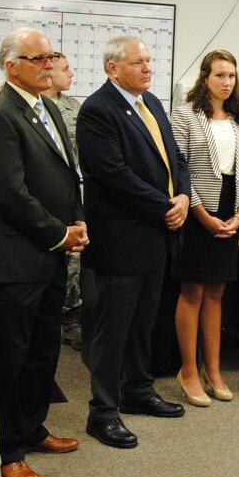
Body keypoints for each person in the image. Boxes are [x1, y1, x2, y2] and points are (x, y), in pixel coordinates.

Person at [0, 29, 87, 477]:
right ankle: (7, 450)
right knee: (9, 360)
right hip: (13, 260)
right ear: (12, 66)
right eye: (37, 58)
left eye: (51, 56)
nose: (48, 65)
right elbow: (10, 193)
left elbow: (67, 176)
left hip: (50, 256)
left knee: (43, 352)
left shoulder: (48, 107)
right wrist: (59, 234)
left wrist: (76, 222)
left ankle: (32, 428)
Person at [77, 34, 191, 449]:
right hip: (121, 239)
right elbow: (113, 174)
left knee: (144, 322)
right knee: (113, 329)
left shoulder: (153, 103)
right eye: (138, 62)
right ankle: (103, 412)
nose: (148, 68)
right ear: (113, 68)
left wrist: (184, 196)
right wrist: (165, 205)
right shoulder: (97, 110)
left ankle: (138, 391)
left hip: (156, 235)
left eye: (149, 61)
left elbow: (176, 159)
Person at [170, 50, 239, 406]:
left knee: (217, 292)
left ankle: (213, 370)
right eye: (220, 75)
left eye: (231, 76)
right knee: (193, 291)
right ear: (205, 77)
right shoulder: (184, 115)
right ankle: (188, 370)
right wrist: (202, 214)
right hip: (196, 210)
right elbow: (179, 169)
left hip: (229, 209)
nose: (226, 82)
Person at [44, 52, 85, 348]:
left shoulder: (74, 108)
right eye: (66, 69)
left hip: (69, 196)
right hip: (39, 196)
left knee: (73, 263)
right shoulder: (26, 106)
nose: (71, 74)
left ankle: (71, 321)